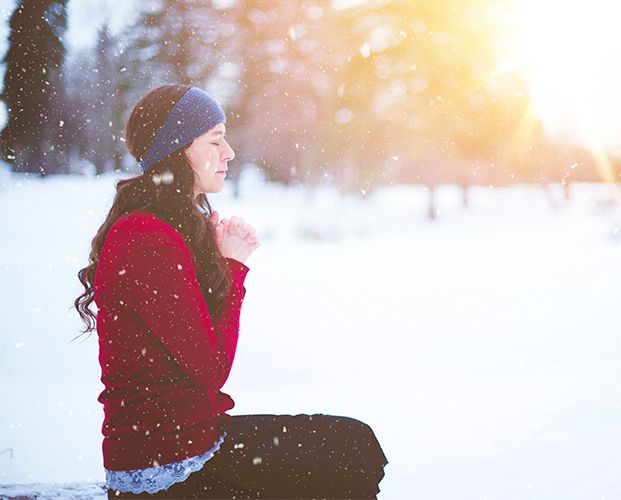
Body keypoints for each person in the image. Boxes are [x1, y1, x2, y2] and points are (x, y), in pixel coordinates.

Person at [73, 84, 388, 499]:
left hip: (195, 443)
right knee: (343, 458)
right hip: (167, 470)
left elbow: (194, 350)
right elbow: (211, 367)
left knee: (356, 443)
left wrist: (219, 264)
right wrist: (234, 268)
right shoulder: (144, 237)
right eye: (215, 140)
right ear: (178, 149)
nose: (229, 153)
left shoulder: (163, 228)